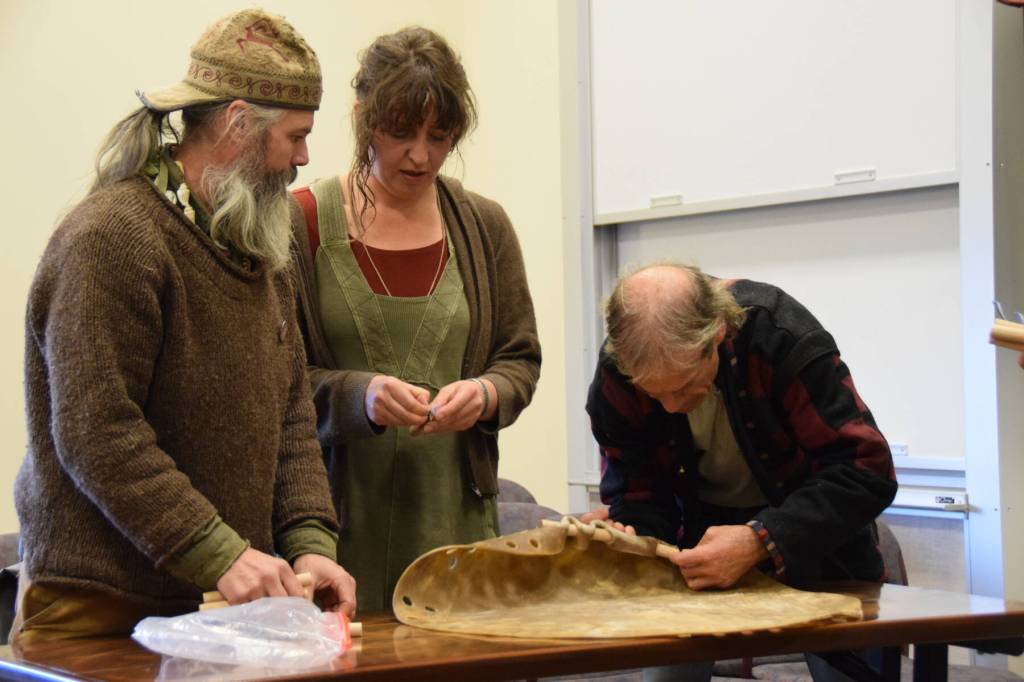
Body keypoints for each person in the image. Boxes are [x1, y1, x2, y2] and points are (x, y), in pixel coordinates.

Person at [14, 9, 355, 646]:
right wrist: (219, 554)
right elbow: (97, 431)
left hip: (215, 609)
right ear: (237, 125)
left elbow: (289, 418)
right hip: (98, 612)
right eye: (295, 136)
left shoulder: (259, 248)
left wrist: (310, 543)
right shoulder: (112, 238)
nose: (305, 158)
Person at [290, 26, 541, 611]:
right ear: (361, 117)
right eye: (400, 132)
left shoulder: (484, 227)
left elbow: (520, 359)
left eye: (440, 135)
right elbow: (272, 386)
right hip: (332, 531)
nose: (420, 155)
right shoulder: (297, 223)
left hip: (453, 526)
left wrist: (485, 394)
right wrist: (359, 396)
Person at [586, 263, 897, 681]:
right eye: (653, 393)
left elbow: (865, 470)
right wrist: (631, 538)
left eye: (683, 386)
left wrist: (759, 540)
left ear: (717, 333)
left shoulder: (780, 337)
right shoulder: (618, 374)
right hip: (694, 558)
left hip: (818, 545)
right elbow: (641, 495)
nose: (671, 407)